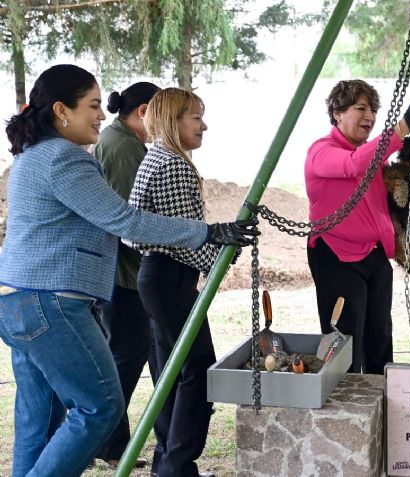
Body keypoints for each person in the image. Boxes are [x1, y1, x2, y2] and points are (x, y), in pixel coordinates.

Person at [0, 65, 257, 477]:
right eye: (93, 106)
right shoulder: (65, 159)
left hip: (17, 301)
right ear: (62, 111)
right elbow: (124, 220)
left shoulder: (30, 156)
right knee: (100, 408)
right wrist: (207, 233)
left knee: (38, 418)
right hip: (53, 304)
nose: (102, 114)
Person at [127, 87, 236, 477]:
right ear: (172, 121)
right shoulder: (173, 165)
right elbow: (183, 238)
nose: (203, 126)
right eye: (196, 117)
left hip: (157, 275)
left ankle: (168, 462)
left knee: (169, 372)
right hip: (170, 275)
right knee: (196, 368)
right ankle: (178, 464)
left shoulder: (156, 157)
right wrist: (222, 253)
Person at [305, 80, 410, 374]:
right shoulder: (320, 151)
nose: (370, 117)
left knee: (380, 342)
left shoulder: (372, 156)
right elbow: (352, 164)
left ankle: (382, 398)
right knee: (345, 348)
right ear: (337, 113)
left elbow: (381, 206)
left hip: (374, 258)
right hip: (336, 257)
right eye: (361, 108)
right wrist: (403, 126)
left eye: (373, 110)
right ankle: (346, 403)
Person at [91, 81, 160, 470]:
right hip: (124, 274)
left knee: (136, 352)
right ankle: (110, 442)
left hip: (127, 272)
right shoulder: (121, 147)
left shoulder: (123, 141)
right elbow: (128, 219)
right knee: (126, 354)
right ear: (145, 111)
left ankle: (113, 441)